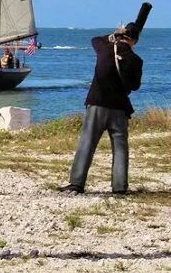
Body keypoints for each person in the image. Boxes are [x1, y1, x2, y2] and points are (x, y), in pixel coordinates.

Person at [59, 23, 143, 195]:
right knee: (120, 148)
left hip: (97, 103)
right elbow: (135, 86)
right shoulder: (136, 60)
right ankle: (119, 187)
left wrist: (114, 35)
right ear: (135, 40)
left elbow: (95, 39)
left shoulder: (105, 48)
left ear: (121, 34)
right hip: (120, 107)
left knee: (87, 144)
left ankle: (77, 183)